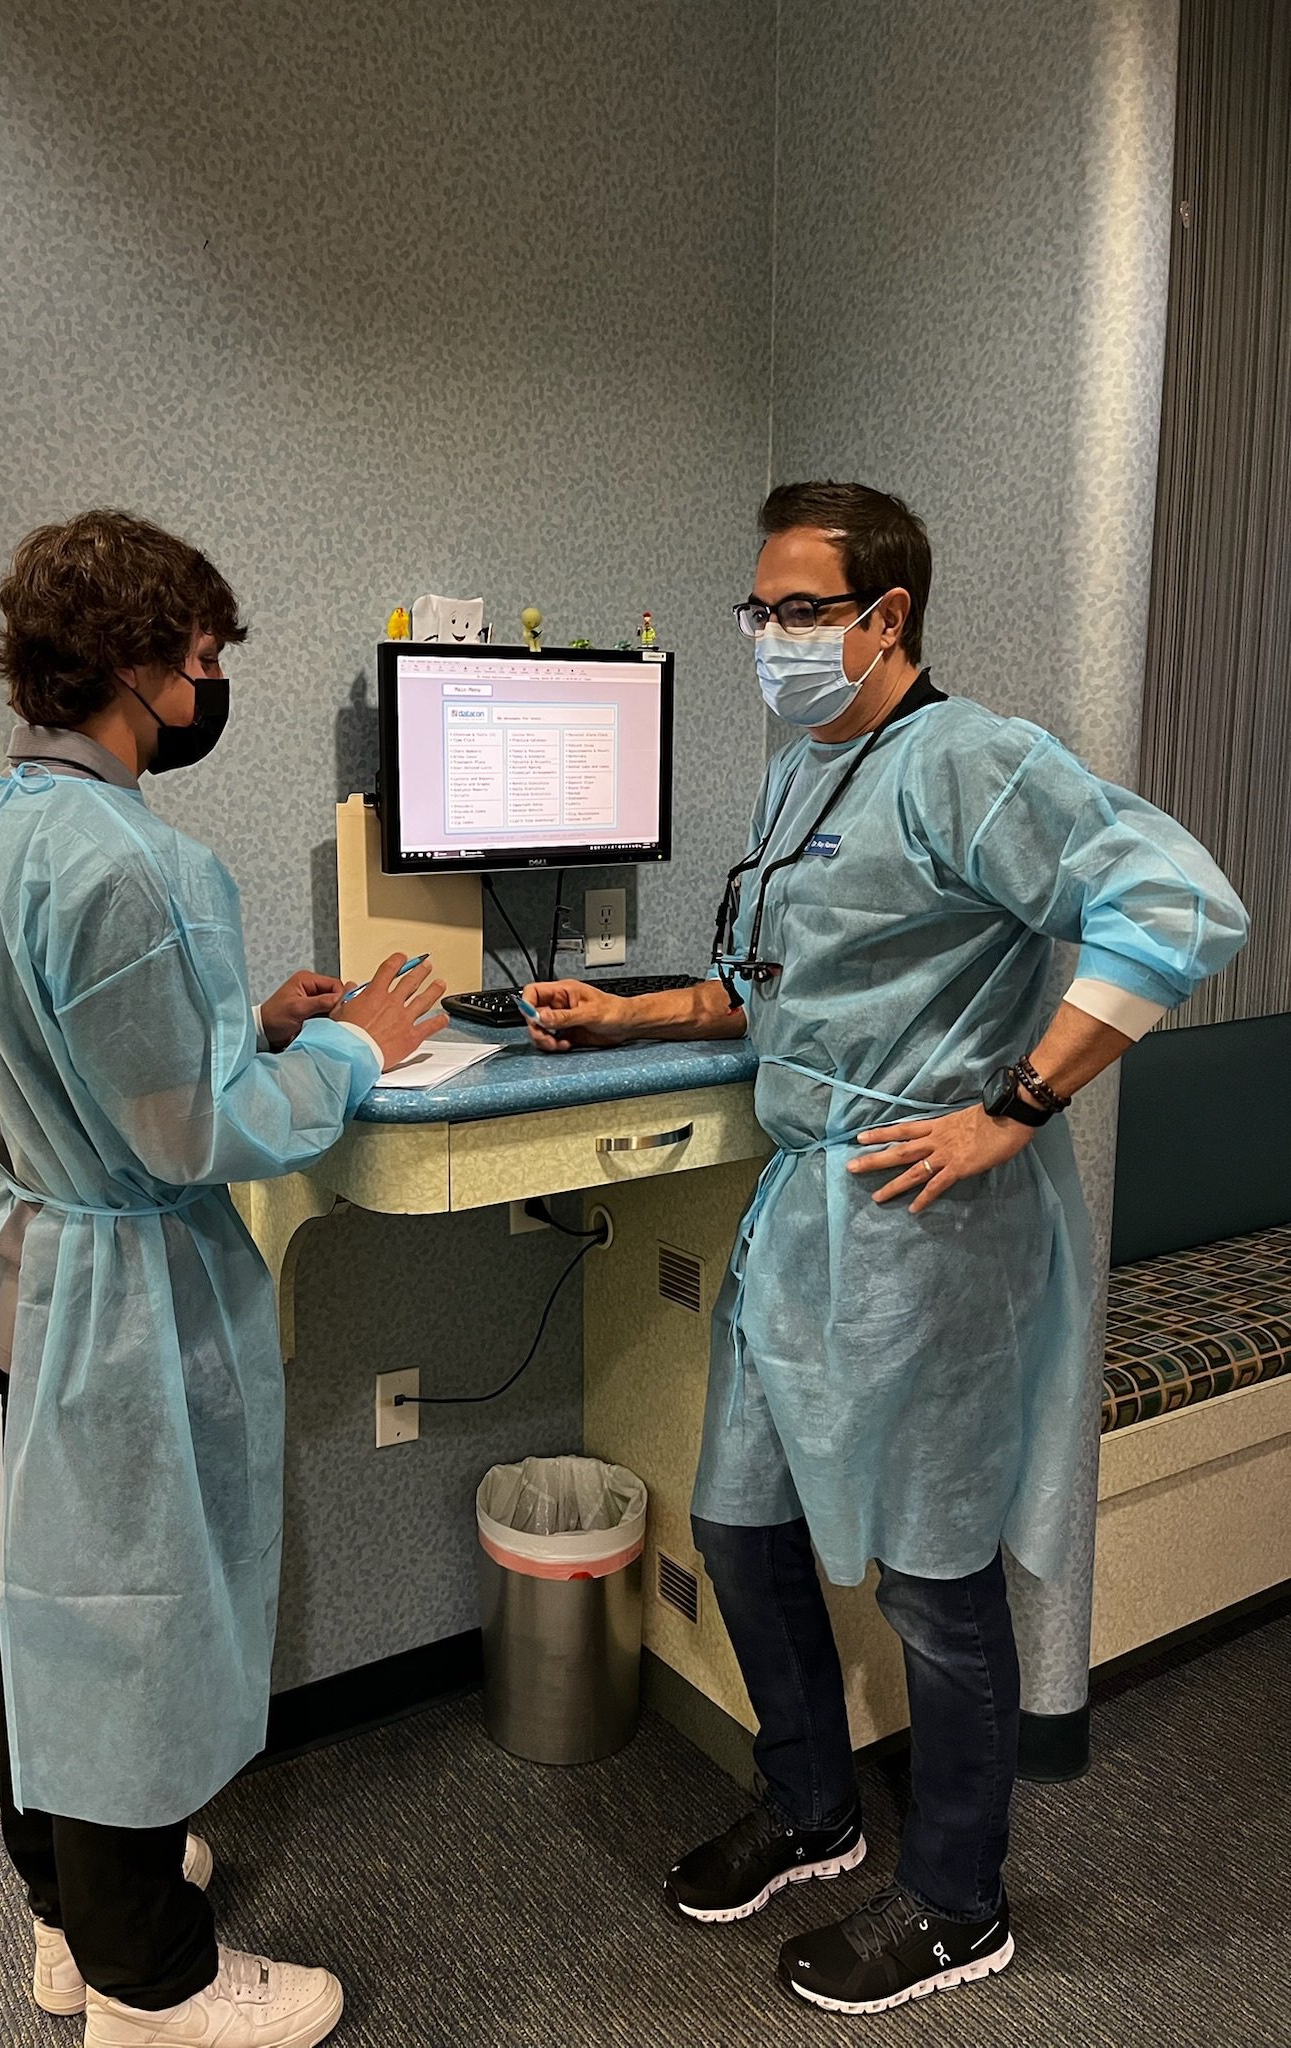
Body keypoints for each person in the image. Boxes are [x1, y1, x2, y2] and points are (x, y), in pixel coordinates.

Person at [520, 481, 1248, 2017]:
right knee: (735, 1524)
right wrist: (634, 1010)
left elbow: (1179, 902)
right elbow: (767, 981)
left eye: (797, 611)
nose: (772, 640)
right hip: (804, 1221)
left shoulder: (972, 765)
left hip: (927, 1223)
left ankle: (958, 1899)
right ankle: (810, 1808)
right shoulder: (806, 771)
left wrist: (1020, 1102)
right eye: (760, 612)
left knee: (933, 1578)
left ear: (884, 615)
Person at [0, 510, 445, 2048]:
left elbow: (70, 1058)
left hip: (25, 1262)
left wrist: (253, 1021)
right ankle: (159, 1986)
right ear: (143, 665)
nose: (209, 692)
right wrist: (351, 1048)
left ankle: (66, 1915)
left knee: (41, 1601)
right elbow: (204, 1134)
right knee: (131, 1618)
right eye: (203, 662)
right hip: (120, 1294)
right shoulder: (146, 863)